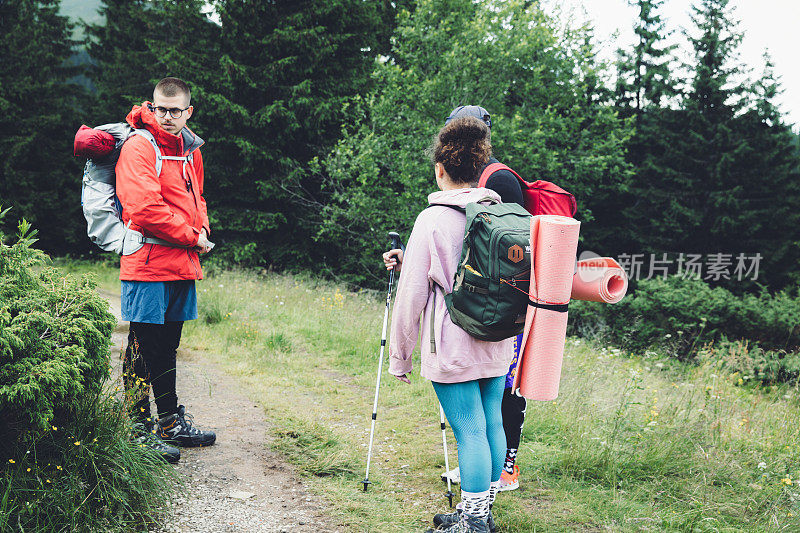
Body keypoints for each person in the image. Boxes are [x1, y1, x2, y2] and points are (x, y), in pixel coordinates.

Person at [383, 105, 527, 496]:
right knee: (492, 424)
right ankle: (486, 509)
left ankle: (473, 519)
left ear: (440, 170)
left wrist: (400, 356)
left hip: (453, 344)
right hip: (498, 339)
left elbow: (411, 295)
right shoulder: (502, 213)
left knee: (470, 431)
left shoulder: (431, 219)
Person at [116, 77, 216, 463]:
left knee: (168, 345)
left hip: (180, 264)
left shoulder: (191, 150)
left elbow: (198, 196)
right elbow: (144, 209)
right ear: (152, 106)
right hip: (146, 264)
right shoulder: (139, 146)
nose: (168, 117)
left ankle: (170, 423)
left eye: (176, 110)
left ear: (188, 111)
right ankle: (138, 429)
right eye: (162, 109)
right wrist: (194, 237)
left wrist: (203, 228)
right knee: (142, 346)